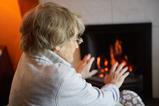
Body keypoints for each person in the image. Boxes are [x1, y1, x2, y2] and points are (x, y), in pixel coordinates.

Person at [8, 2, 144, 106]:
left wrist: (77, 75)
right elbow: (102, 102)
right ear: (57, 43)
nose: (77, 44)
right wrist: (113, 83)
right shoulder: (59, 76)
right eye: (74, 39)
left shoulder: (29, 54)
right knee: (128, 96)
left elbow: (54, 93)